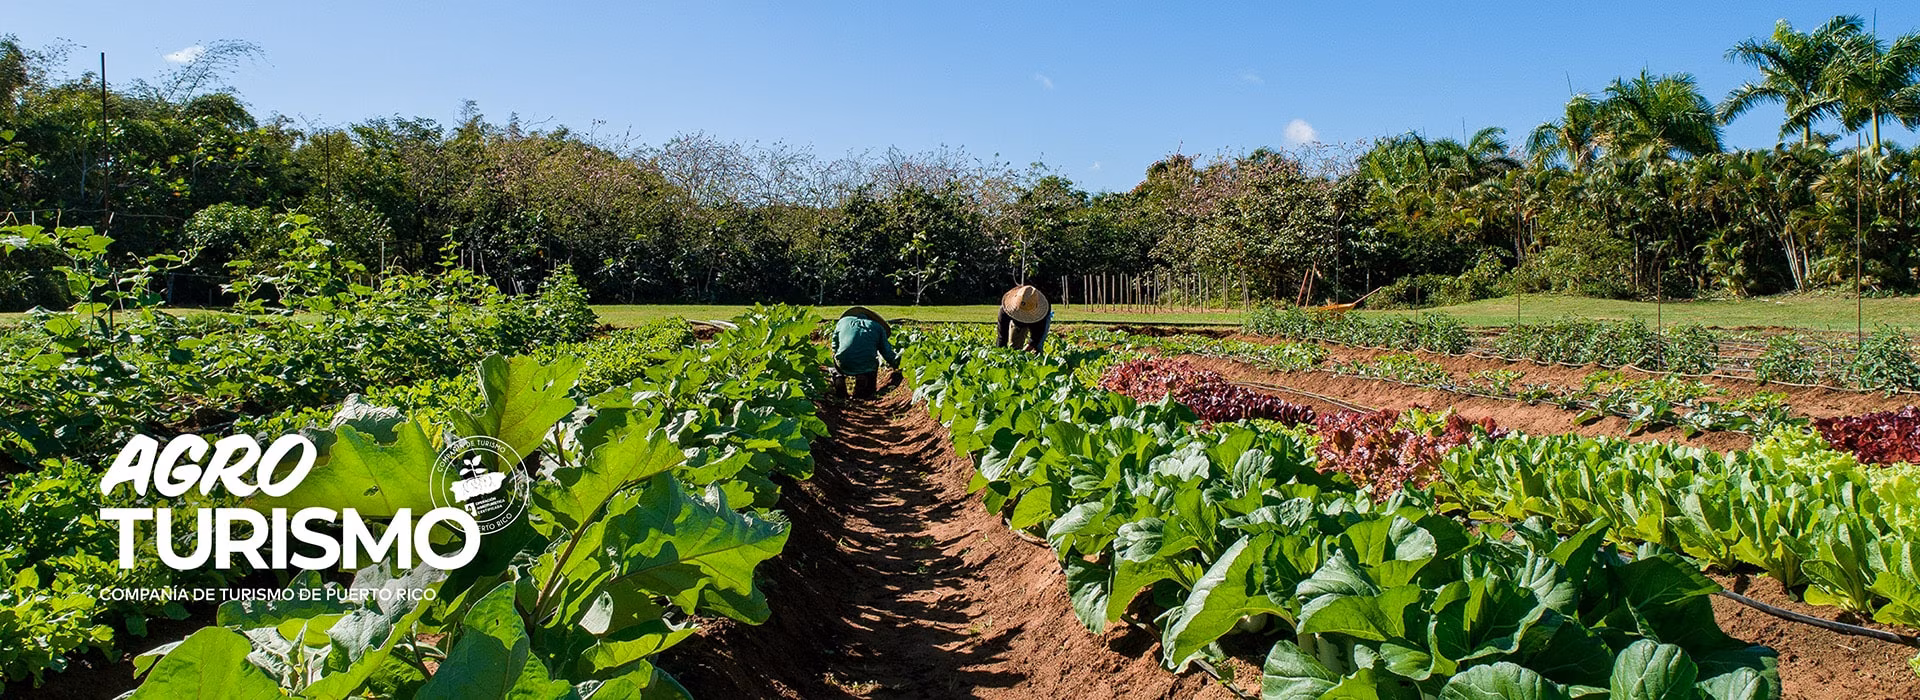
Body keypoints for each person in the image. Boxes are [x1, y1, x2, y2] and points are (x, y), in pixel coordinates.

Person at [831, 306, 900, 400]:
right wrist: (898, 365)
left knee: (836, 360)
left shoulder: (843, 322)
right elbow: (886, 352)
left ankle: (838, 377)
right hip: (866, 364)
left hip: (844, 362)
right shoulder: (877, 327)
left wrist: (837, 355)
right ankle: (864, 386)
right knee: (872, 364)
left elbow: (834, 345)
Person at [997, 285, 1051, 353]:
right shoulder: (1005, 311)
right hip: (1017, 324)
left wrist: (1024, 353)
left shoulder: (1042, 313)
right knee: (1014, 347)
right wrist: (1000, 353)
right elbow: (1002, 337)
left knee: (1037, 349)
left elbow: (1035, 338)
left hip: (1037, 320)